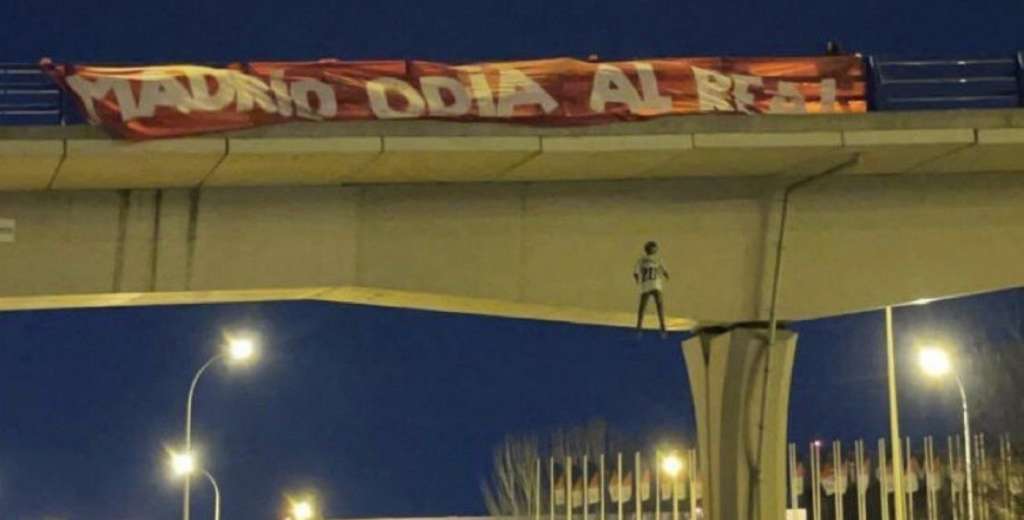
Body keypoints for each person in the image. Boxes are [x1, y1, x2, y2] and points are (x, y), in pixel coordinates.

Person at [634, 241, 670, 338]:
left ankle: (641, 329)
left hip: (651, 285)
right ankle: (640, 329)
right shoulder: (644, 259)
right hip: (649, 285)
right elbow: (636, 272)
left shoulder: (645, 259)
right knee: (648, 307)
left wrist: (637, 278)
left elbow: (636, 272)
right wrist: (666, 275)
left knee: (655, 306)